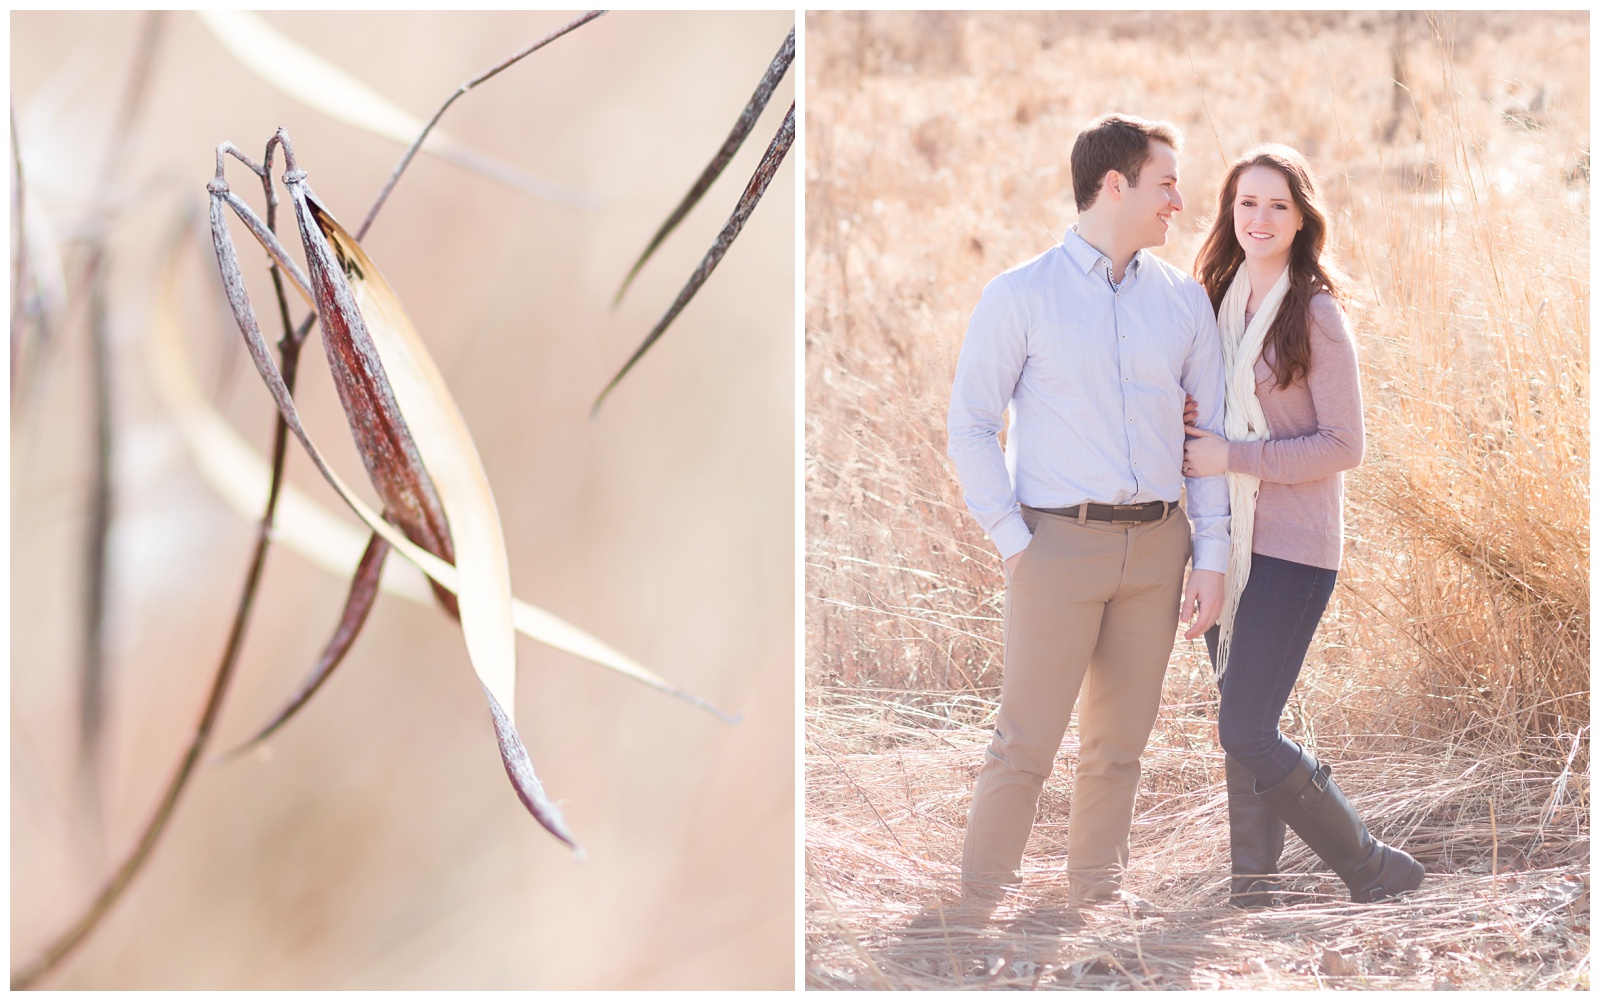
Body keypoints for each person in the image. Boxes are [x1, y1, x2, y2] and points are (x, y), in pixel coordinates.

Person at [947, 113, 1230, 907]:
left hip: (1158, 550)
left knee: (1118, 748)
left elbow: (1203, 439)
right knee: (1024, 744)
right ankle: (974, 906)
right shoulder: (1019, 295)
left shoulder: (1183, 303)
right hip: (1054, 546)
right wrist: (1012, 539)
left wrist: (1208, 554)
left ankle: (1094, 901)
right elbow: (970, 423)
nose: (1179, 201)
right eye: (1165, 182)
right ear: (1116, 185)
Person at [1182, 144, 1424, 906]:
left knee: (1247, 725)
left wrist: (1233, 452)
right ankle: (1252, 886)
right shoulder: (1212, 299)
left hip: (1294, 548)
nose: (1259, 218)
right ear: (1229, 212)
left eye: (1277, 205)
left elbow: (1344, 445)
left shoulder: (1314, 311)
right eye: (1247, 203)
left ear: (1300, 218)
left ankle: (1372, 864)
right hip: (1224, 539)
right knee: (1238, 716)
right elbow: (1204, 409)